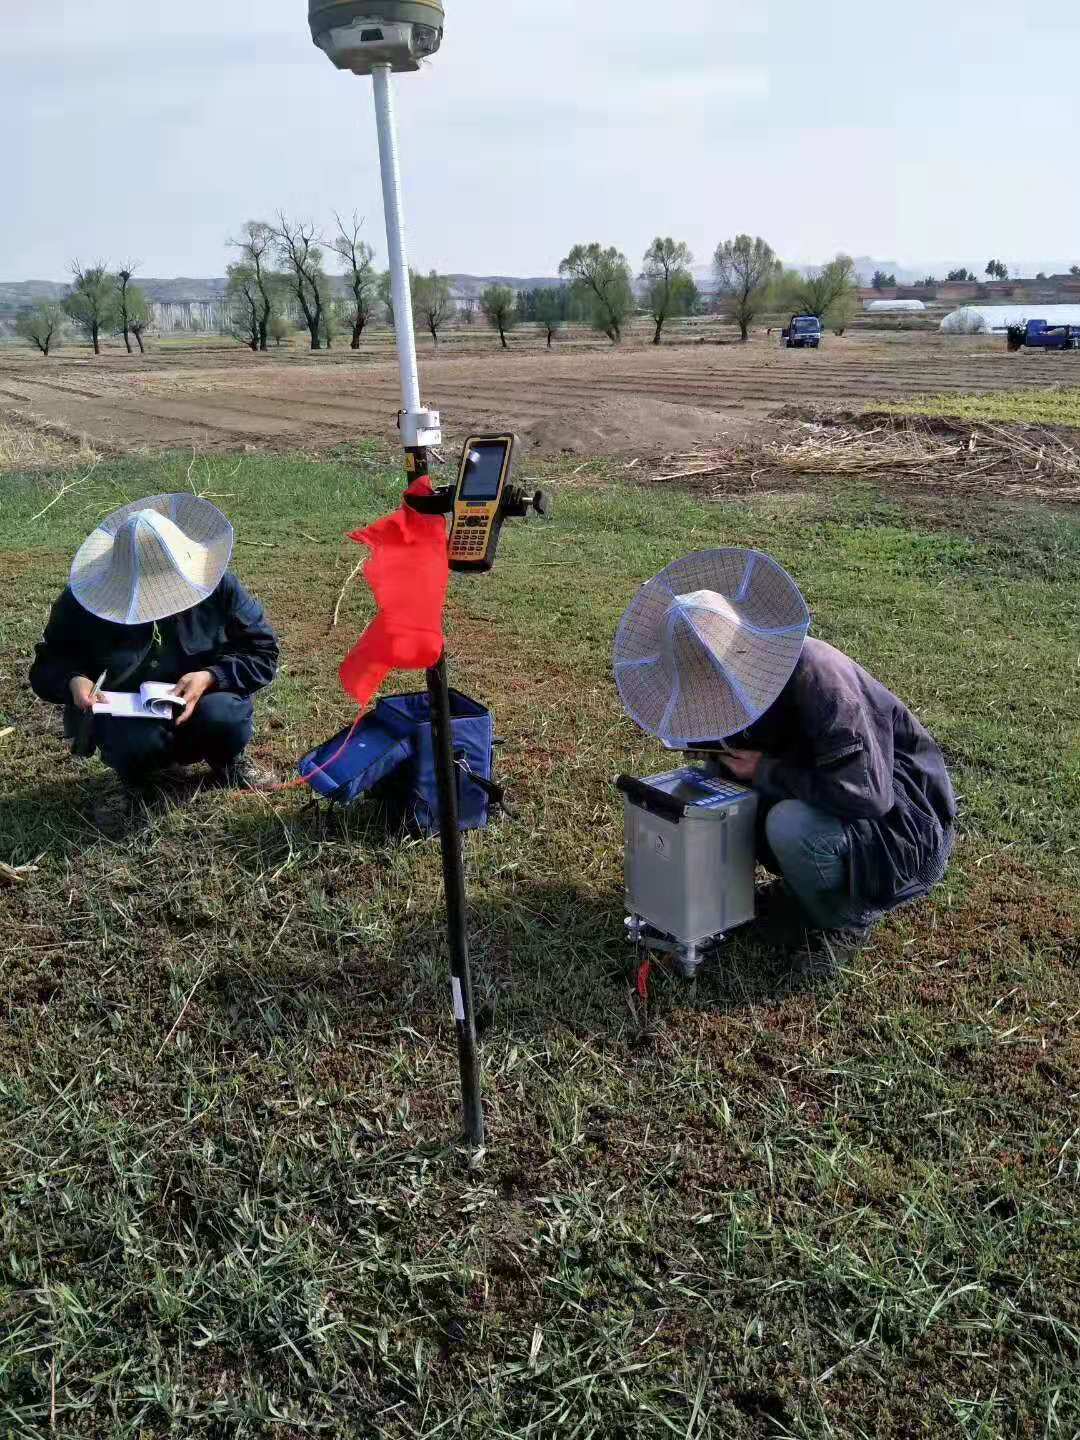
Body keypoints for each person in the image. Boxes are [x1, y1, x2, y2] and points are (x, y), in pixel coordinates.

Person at [614, 548, 956, 970]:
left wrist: (764, 771)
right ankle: (757, 898)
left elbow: (868, 795)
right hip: (831, 794)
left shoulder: (824, 681)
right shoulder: (741, 690)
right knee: (714, 790)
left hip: (900, 829)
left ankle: (846, 921)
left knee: (789, 825)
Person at [30, 493, 279, 824]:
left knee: (224, 716)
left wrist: (211, 676)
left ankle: (229, 760)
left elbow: (262, 651)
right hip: (130, 717)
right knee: (130, 741)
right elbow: (47, 664)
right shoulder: (82, 603)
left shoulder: (219, 587)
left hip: (206, 704)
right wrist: (73, 681)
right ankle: (135, 780)